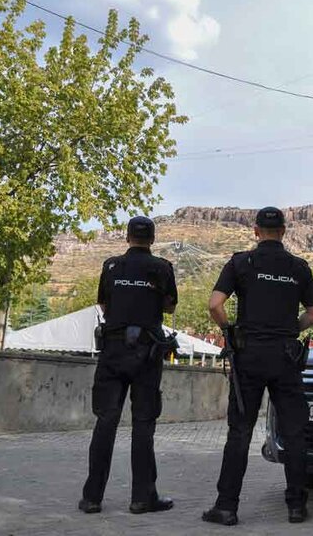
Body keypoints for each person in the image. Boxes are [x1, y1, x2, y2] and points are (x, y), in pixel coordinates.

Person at [202, 206, 313, 526]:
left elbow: (215, 304)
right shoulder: (299, 267)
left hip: (249, 355)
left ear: (256, 231)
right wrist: (289, 331)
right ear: (283, 231)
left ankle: (226, 507)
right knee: (295, 432)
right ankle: (296, 506)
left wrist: (230, 331)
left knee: (239, 433)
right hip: (284, 357)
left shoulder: (241, 263)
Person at [79, 216, 178, 515]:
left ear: (127, 238)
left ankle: (92, 498)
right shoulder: (162, 267)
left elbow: (104, 305)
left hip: (113, 352)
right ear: (152, 239)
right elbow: (170, 305)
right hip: (146, 354)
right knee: (143, 426)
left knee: (105, 423)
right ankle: (142, 498)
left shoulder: (111, 266)